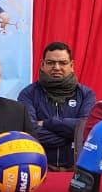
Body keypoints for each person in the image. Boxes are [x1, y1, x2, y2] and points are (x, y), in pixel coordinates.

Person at [17, 42, 96, 171]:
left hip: (76, 169)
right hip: (38, 168)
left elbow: (85, 129)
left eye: (63, 63)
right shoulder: (28, 94)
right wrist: (70, 137)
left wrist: (47, 123)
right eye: (51, 63)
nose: (57, 67)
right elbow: (30, 132)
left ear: (71, 66)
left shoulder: (86, 94)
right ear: (42, 65)